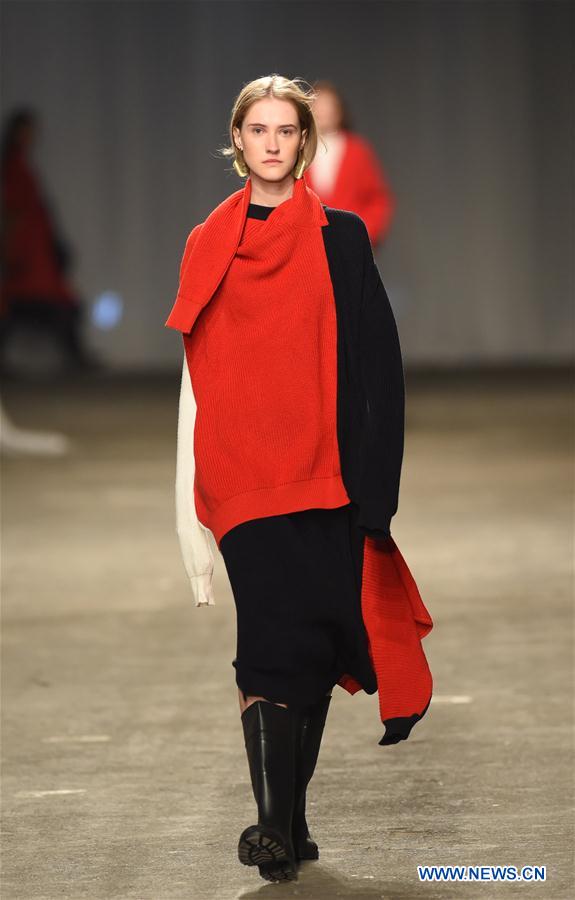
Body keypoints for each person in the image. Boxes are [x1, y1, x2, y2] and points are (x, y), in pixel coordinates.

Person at [165, 74, 433, 883]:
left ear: (305, 141)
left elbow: (378, 368)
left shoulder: (341, 237)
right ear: (237, 140)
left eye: (287, 130)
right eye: (259, 130)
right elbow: (195, 376)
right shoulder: (207, 241)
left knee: (315, 642)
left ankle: (290, 817)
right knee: (269, 638)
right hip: (244, 475)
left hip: (328, 473)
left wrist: (378, 492)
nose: (273, 143)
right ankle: (270, 824)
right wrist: (188, 503)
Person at [0, 107, 101, 372]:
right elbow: (12, 212)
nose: (32, 136)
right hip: (26, 251)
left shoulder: (18, 165)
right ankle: (76, 357)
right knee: (31, 303)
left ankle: (76, 356)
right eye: (27, 131)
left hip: (34, 250)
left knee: (32, 304)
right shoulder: (14, 167)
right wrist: (10, 250)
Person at [305, 79, 395, 248]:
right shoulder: (299, 150)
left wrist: (363, 233)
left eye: (328, 105)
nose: (322, 111)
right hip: (307, 244)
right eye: (317, 105)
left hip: (350, 242)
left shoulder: (357, 150)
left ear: (339, 111)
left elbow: (378, 199)